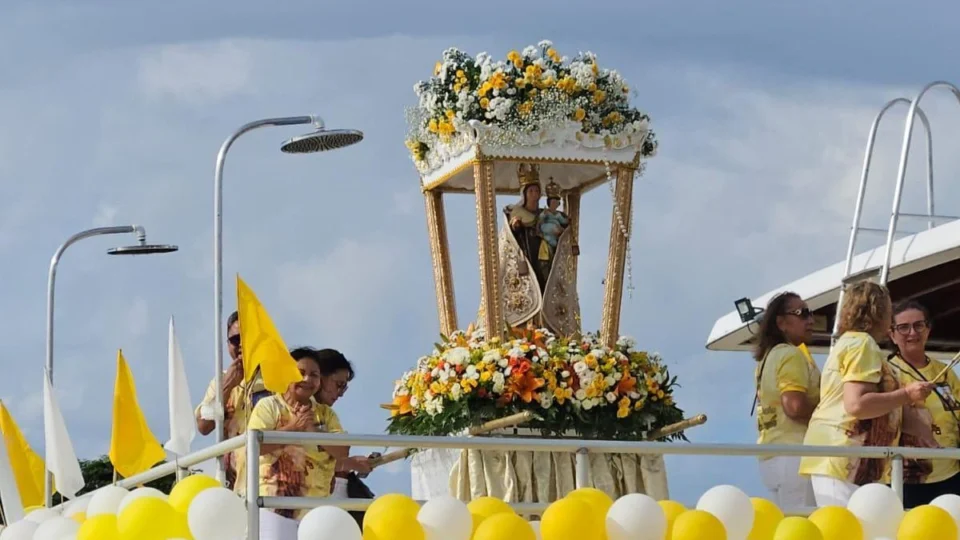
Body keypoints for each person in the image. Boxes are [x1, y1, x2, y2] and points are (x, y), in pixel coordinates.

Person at [799, 281, 935, 507]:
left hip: (840, 459)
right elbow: (857, 405)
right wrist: (907, 394)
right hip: (844, 458)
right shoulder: (863, 344)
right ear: (878, 311)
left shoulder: (849, 342)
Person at [247, 347, 372, 521]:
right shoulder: (269, 406)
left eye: (314, 375)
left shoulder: (327, 414)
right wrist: (293, 428)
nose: (307, 379)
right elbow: (253, 448)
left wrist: (313, 432)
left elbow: (342, 451)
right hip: (276, 508)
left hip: (317, 512)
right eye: (301, 372)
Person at [887, 300, 960, 507]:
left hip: (951, 472)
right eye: (903, 327)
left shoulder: (945, 371)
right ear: (892, 334)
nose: (912, 333)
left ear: (928, 329)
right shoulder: (887, 371)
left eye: (919, 325)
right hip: (907, 477)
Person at [752, 292, 820, 508]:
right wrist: (826, 416)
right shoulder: (791, 354)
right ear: (780, 322)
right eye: (802, 313)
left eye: (810, 313)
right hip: (795, 456)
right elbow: (794, 406)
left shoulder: (767, 358)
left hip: (771, 456)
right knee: (801, 527)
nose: (810, 320)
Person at [194, 311, 266, 492]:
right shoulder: (219, 381)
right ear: (228, 345)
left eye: (247, 338)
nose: (241, 344)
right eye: (235, 340)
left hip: (270, 481)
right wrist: (227, 385)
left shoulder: (279, 379)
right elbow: (204, 426)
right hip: (234, 485)